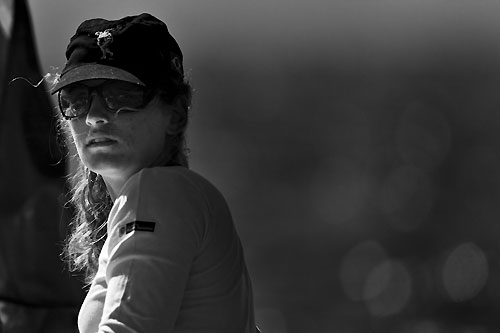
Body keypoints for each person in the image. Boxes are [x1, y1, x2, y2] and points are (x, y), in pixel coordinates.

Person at [50, 13, 257, 332]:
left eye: (120, 96)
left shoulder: (157, 192)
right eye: (76, 99)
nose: (94, 116)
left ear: (175, 112)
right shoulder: (174, 199)